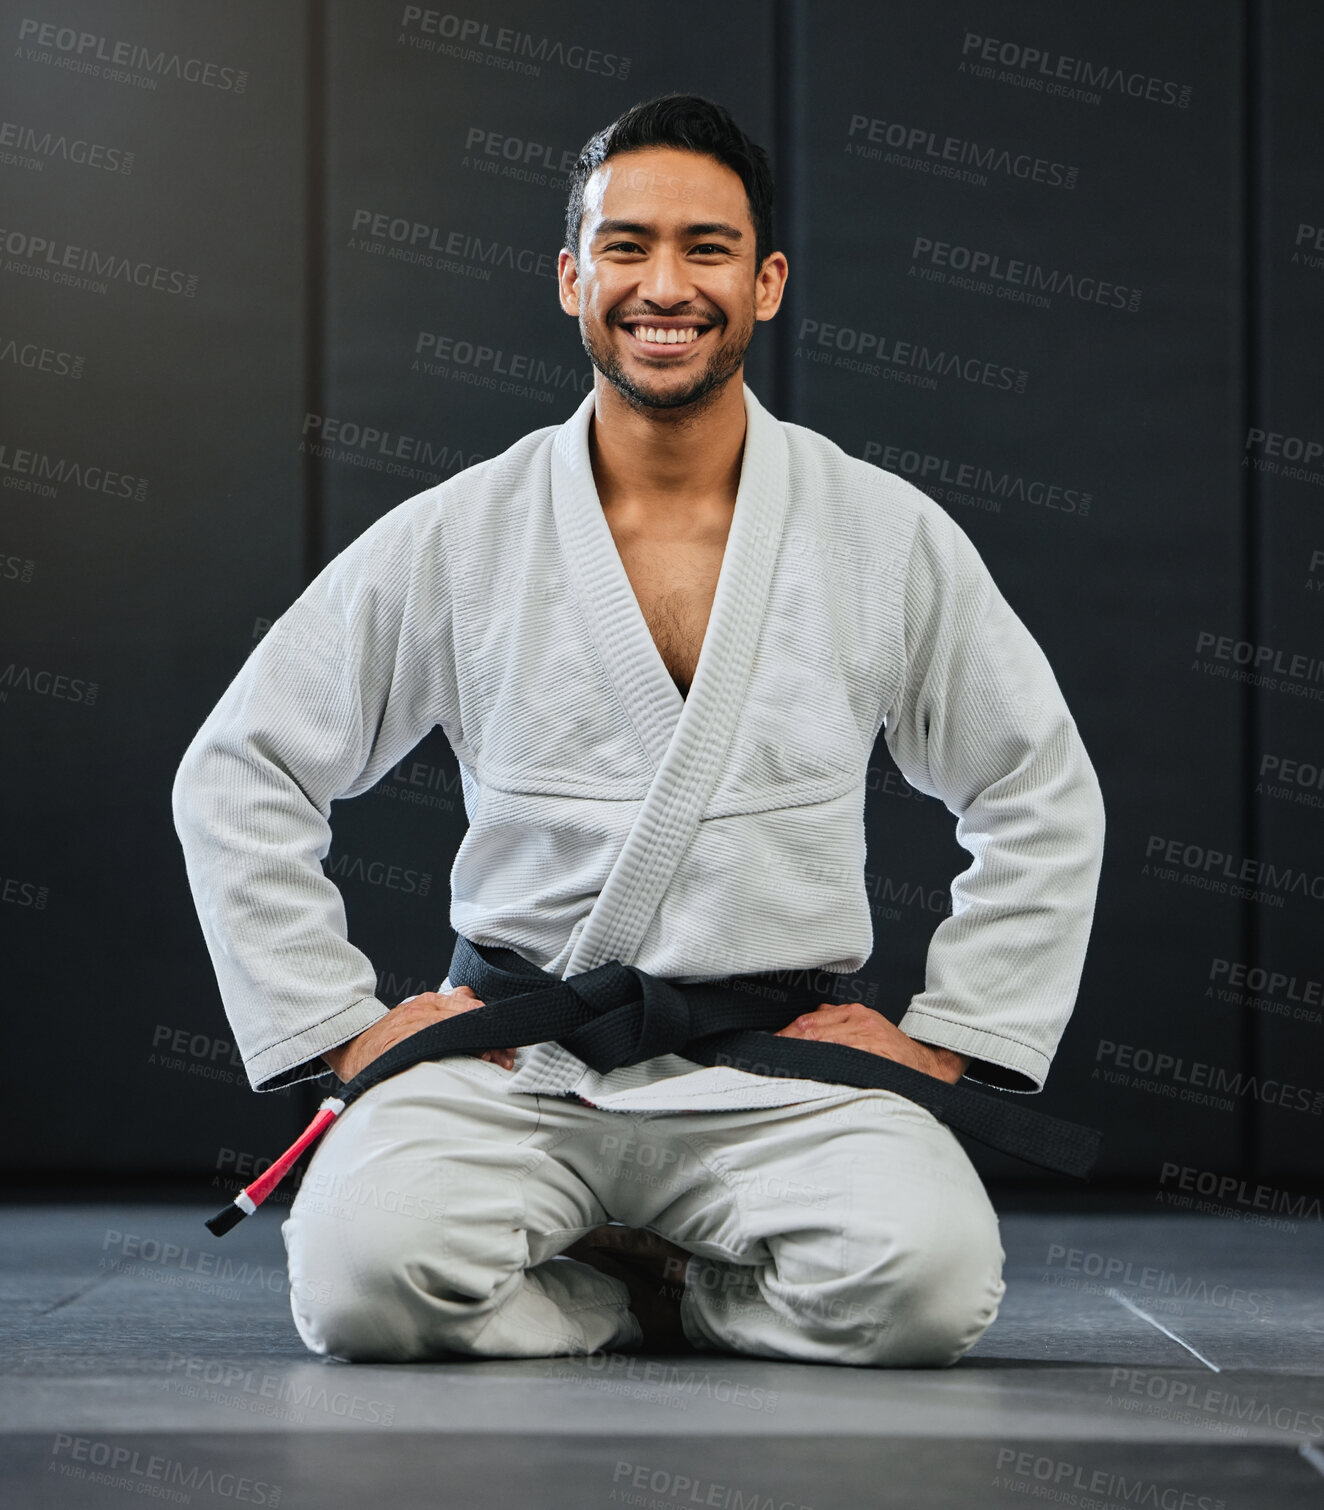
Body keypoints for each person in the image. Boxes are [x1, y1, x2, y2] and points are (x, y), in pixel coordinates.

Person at [172, 93, 1106, 1369]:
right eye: (625, 247)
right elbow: (239, 769)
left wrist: (950, 1030)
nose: (664, 284)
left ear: (766, 282)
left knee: (926, 1291)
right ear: (572, 278)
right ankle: (612, 1300)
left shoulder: (878, 532)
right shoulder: (465, 529)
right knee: (361, 1287)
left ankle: (680, 1294)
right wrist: (335, 1020)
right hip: (516, 1063)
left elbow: (1037, 786)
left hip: (772, 1071)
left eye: (708, 249)